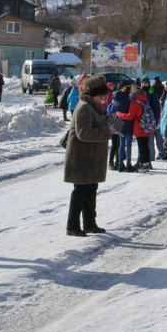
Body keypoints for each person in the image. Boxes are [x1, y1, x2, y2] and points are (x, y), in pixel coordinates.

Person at [64, 74, 112, 237]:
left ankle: (89, 223)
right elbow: (83, 133)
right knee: (80, 191)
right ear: (92, 96)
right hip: (82, 158)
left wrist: (111, 122)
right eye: (101, 97)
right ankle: (73, 225)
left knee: (91, 189)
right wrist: (107, 131)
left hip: (91, 158)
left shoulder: (94, 106)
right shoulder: (84, 107)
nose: (103, 100)